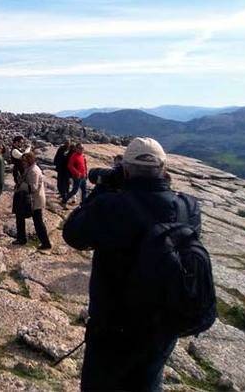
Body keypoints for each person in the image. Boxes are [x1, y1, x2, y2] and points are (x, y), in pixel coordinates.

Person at [62, 137, 202, 392]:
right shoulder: (188, 207)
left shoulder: (111, 206)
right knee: (148, 383)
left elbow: (72, 233)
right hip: (162, 326)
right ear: (164, 168)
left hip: (113, 326)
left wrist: (103, 187)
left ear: (125, 170)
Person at [13, 152, 52, 250]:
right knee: (21, 217)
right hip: (31, 200)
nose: (23, 163)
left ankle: (45, 243)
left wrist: (20, 184)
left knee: (38, 222)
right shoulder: (30, 169)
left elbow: (33, 188)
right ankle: (22, 238)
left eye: (24, 161)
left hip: (34, 200)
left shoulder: (33, 171)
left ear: (29, 161)